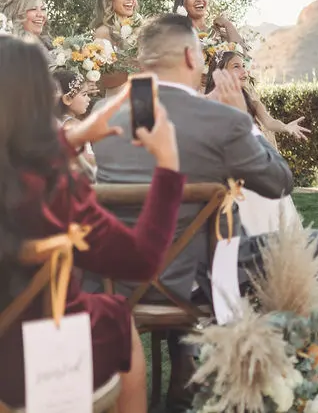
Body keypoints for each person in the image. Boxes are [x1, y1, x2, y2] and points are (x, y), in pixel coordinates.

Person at [89, 14, 318, 411]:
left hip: (119, 281)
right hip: (198, 282)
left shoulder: (105, 116)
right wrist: (243, 118)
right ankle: (258, 366)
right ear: (191, 56)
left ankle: (187, 365)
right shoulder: (220, 119)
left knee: (186, 243)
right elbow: (279, 183)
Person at [0, 36, 184, 413]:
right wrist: (167, 165)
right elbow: (142, 260)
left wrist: (75, 136)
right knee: (116, 316)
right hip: (36, 360)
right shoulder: (58, 191)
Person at [205, 49, 309, 234]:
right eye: (236, 66)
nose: (243, 71)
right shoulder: (209, 103)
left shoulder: (252, 103)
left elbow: (269, 122)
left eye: (243, 66)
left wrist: (286, 127)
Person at [92, 0, 142, 94]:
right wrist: (138, 65)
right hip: (119, 98)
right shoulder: (103, 32)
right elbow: (104, 81)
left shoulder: (141, 26)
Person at [53, 69, 97, 176]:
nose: (88, 99)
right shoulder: (74, 126)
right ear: (68, 98)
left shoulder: (53, 121)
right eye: (84, 94)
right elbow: (86, 160)